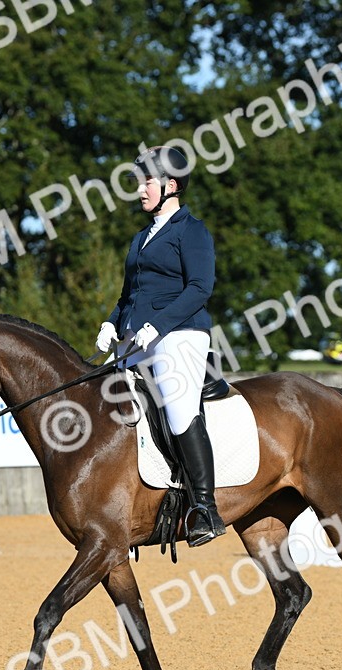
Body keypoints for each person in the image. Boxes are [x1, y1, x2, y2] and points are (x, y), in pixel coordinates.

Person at [95, 146, 227, 547]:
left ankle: (205, 507)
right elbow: (128, 295)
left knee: (177, 404)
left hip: (181, 335)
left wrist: (160, 325)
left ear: (170, 186)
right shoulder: (140, 238)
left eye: (146, 182)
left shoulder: (192, 230)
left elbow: (200, 288)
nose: (139, 190)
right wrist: (111, 322)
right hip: (137, 340)